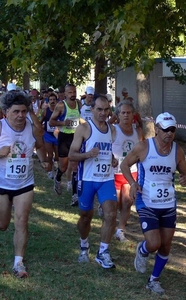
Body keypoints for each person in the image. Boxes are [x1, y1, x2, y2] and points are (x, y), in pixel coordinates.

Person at [0, 90, 49, 278]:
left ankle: (19, 263)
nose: (20, 116)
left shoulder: (31, 127)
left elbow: (39, 141)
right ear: (6, 111)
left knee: (22, 220)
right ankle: (6, 226)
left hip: (24, 183)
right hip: (1, 183)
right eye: (16, 111)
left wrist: (44, 159)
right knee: (2, 224)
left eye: (24, 111)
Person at [120, 112, 186, 296]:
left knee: (166, 244)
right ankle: (143, 250)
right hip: (147, 201)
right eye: (165, 129)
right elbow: (124, 165)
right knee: (153, 243)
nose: (169, 133)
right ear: (157, 129)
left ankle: (154, 280)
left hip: (168, 203)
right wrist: (133, 183)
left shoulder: (177, 150)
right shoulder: (144, 147)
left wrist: (185, 179)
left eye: (172, 130)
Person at [68, 95, 118, 269]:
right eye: (99, 109)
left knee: (111, 214)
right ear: (92, 109)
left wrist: (113, 160)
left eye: (106, 109)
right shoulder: (84, 129)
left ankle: (103, 252)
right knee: (85, 216)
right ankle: (84, 245)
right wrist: (88, 154)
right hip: (87, 179)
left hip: (106, 179)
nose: (103, 113)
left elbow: (108, 151)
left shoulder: (112, 130)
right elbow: (72, 155)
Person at [111, 100, 144, 242]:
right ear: (118, 115)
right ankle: (110, 222)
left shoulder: (138, 132)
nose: (126, 115)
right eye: (123, 113)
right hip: (114, 172)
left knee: (127, 202)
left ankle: (120, 229)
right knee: (115, 205)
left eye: (128, 113)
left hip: (131, 172)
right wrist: (111, 157)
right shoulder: (113, 130)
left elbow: (143, 151)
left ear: (133, 115)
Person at [49, 84, 82, 206]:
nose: (73, 94)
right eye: (70, 92)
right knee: (63, 167)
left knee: (75, 166)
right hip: (64, 137)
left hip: (76, 138)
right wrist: (63, 122)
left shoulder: (79, 104)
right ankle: (58, 178)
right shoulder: (61, 105)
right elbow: (51, 121)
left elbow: (81, 119)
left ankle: (74, 195)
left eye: (74, 91)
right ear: (65, 94)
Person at [40, 93, 59, 179]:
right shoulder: (45, 111)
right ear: (48, 101)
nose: (52, 101)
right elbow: (40, 122)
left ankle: (56, 166)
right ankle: (50, 171)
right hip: (47, 135)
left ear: (56, 101)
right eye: (50, 100)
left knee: (58, 155)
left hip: (57, 135)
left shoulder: (60, 111)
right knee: (50, 155)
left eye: (54, 100)